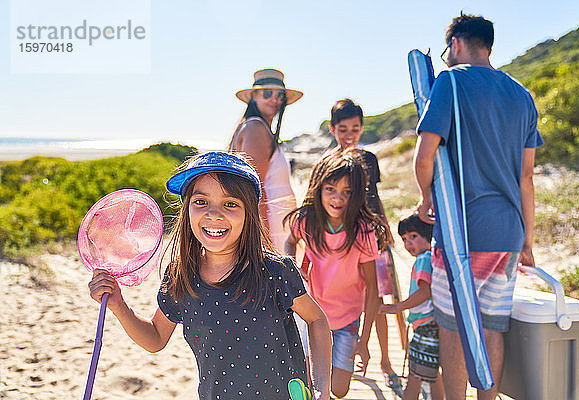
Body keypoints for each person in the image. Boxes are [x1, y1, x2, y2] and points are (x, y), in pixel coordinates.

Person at [88, 151, 332, 400]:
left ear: (249, 213)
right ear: (187, 210)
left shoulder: (274, 272)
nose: (214, 214)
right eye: (201, 202)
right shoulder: (180, 277)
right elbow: (156, 338)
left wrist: (322, 387)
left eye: (230, 204)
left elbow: (317, 320)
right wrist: (118, 304)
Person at [413, 13, 543, 399]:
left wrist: (425, 197)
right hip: (507, 232)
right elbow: (527, 178)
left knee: (454, 327)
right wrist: (527, 240)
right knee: (491, 327)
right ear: (489, 45)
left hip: (461, 232)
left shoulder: (450, 82)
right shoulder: (522, 94)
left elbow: (424, 156)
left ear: (455, 45)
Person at [284, 150, 389, 398]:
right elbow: (290, 242)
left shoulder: (362, 232)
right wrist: (295, 265)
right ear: (318, 187)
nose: (337, 198)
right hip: (313, 316)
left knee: (339, 390)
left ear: (356, 194)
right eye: (330, 189)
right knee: (313, 385)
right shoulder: (307, 220)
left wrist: (364, 341)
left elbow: (373, 290)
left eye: (347, 192)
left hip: (348, 320)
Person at [326, 98, 403, 394]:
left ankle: (385, 361)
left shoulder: (369, 158)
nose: (349, 134)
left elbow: (375, 196)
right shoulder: (330, 162)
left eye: (355, 128)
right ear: (333, 129)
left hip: (375, 236)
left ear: (361, 128)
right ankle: (350, 355)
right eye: (343, 128)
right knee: (349, 301)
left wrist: (385, 227)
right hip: (344, 245)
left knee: (379, 298)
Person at [228, 68, 302, 252]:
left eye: (280, 95)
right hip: (272, 227)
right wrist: (263, 243)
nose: (275, 100)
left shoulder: (254, 126)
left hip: (277, 224)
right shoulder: (256, 129)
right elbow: (255, 189)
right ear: (254, 96)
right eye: (267, 93)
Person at [380, 214, 445, 400]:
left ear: (428, 236)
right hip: (429, 324)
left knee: (415, 374)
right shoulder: (430, 257)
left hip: (426, 326)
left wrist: (397, 307)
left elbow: (425, 292)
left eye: (413, 237)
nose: (409, 244)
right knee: (431, 374)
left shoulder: (423, 260)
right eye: (404, 239)